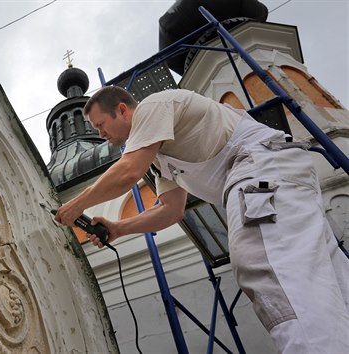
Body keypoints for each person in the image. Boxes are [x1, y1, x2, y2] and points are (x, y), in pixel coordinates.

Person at [54, 86, 349, 353]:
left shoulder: (154, 106)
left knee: (266, 259)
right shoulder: (159, 158)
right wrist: (120, 227)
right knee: (327, 274)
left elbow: (129, 171)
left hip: (259, 165)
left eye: (100, 125)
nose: (101, 134)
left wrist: (76, 204)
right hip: (273, 172)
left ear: (122, 109)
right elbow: (171, 210)